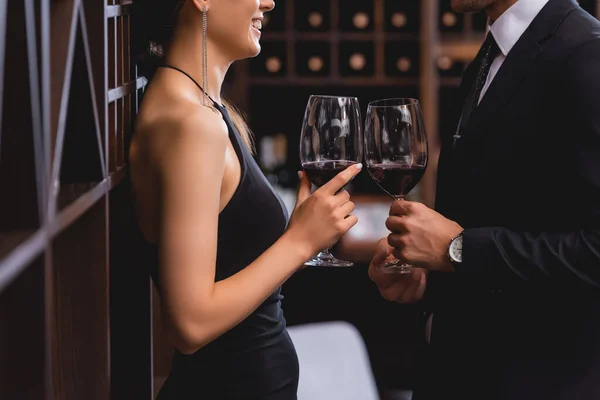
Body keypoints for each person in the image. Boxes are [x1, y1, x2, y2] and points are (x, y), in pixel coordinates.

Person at [128, 0, 361, 398]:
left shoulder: (204, 110)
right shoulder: (194, 125)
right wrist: (300, 242)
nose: (267, 2)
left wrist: (299, 236)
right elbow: (190, 323)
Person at [368, 0, 600, 398]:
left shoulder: (588, 54)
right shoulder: (491, 56)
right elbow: (499, 217)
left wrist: (459, 250)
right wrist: (430, 279)